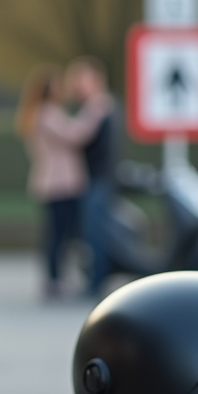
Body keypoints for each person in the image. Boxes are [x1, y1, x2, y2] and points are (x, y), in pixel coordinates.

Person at [16, 65, 103, 299]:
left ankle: (57, 277)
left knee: (58, 233)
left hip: (53, 183)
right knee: (59, 234)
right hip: (60, 184)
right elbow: (76, 134)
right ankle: (54, 279)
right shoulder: (47, 113)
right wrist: (95, 110)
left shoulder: (39, 113)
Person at [64, 56, 117, 297]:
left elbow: (77, 136)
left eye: (81, 79)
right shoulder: (100, 106)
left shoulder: (98, 106)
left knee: (95, 235)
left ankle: (96, 284)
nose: (77, 85)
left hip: (97, 181)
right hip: (96, 180)